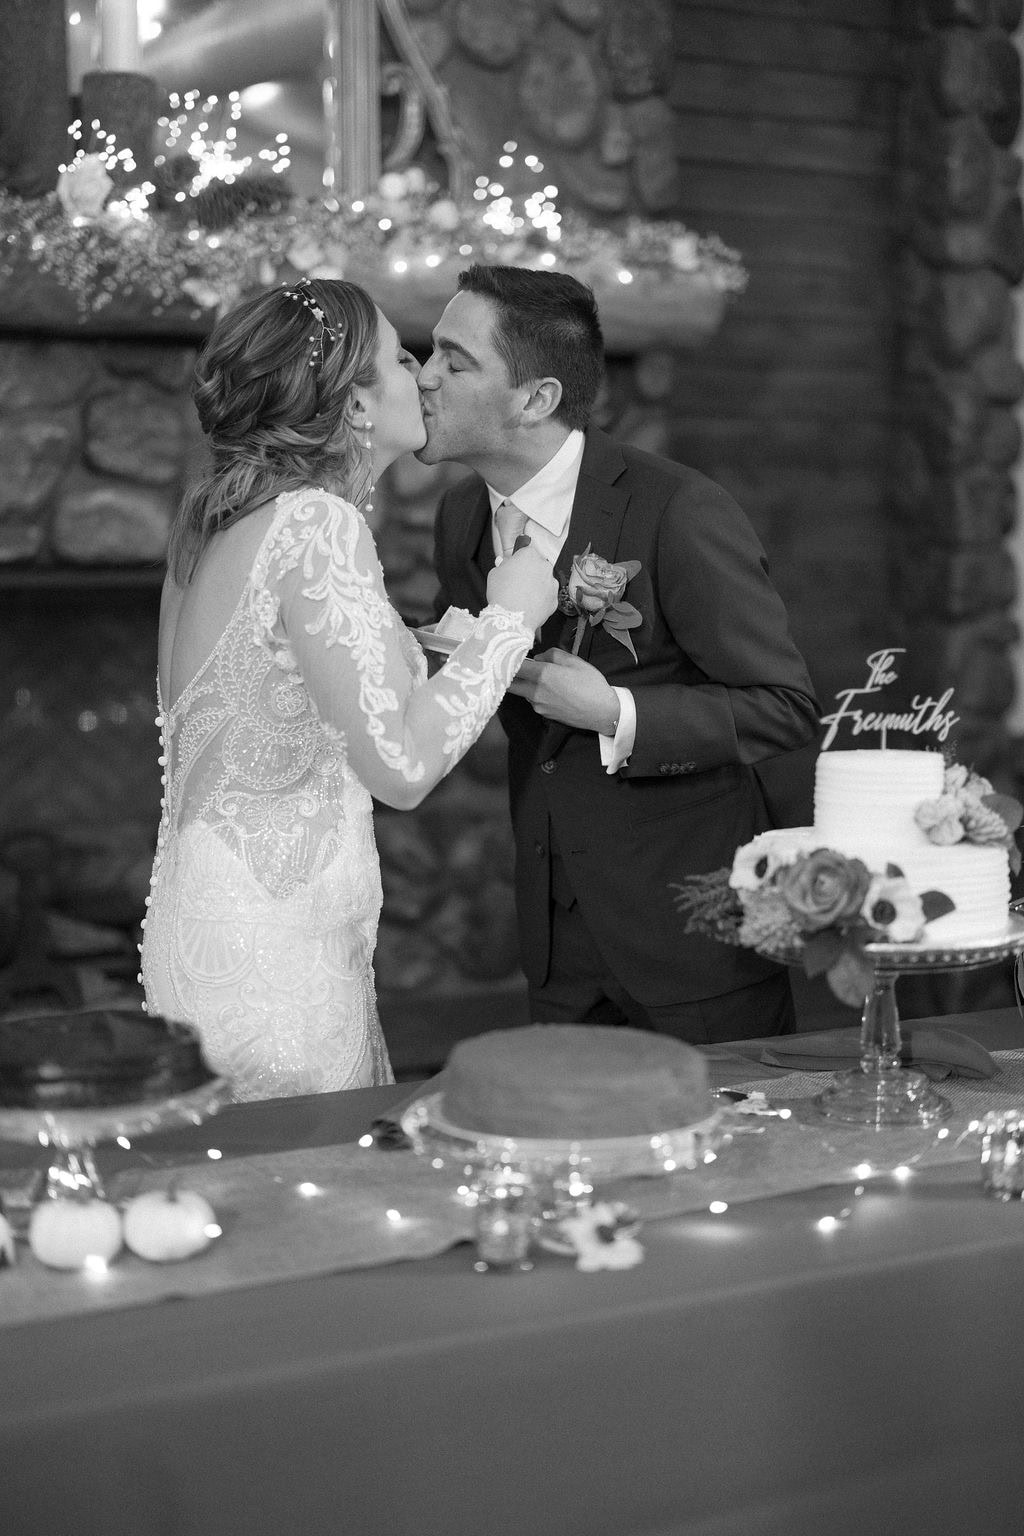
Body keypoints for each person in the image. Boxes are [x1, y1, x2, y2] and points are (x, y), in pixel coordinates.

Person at [140, 278, 557, 1099]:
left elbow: (297, 694)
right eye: (402, 359)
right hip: (272, 956)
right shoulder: (314, 524)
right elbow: (399, 768)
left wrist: (444, 646)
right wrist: (511, 618)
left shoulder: (216, 525)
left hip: (220, 924)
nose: (425, 375)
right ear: (356, 404)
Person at [420, 265, 821, 1045]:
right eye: (430, 352)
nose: (425, 377)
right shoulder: (461, 516)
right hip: (556, 939)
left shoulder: (678, 510)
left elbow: (784, 706)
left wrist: (617, 712)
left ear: (535, 399)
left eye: (454, 361)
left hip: (690, 938)